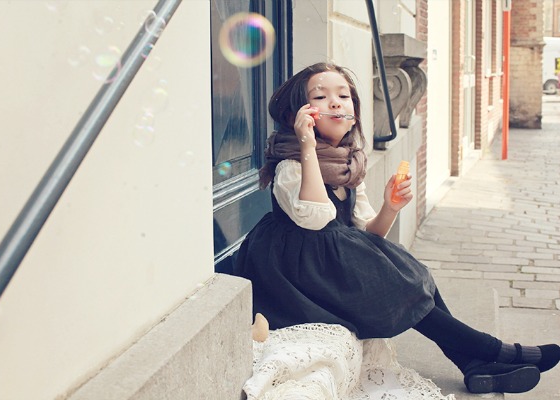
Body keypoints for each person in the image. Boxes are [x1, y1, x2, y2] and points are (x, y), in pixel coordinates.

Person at [232, 62, 560, 394]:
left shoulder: (347, 164)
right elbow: (316, 218)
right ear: (297, 116)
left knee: (413, 276)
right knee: (399, 283)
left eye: (344, 96)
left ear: (355, 112)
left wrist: (390, 207)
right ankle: (492, 351)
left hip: (326, 263)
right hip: (293, 273)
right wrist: (305, 145)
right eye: (321, 96)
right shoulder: (292, 165)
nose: (335, 102)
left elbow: (367, 233)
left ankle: (473, 364)